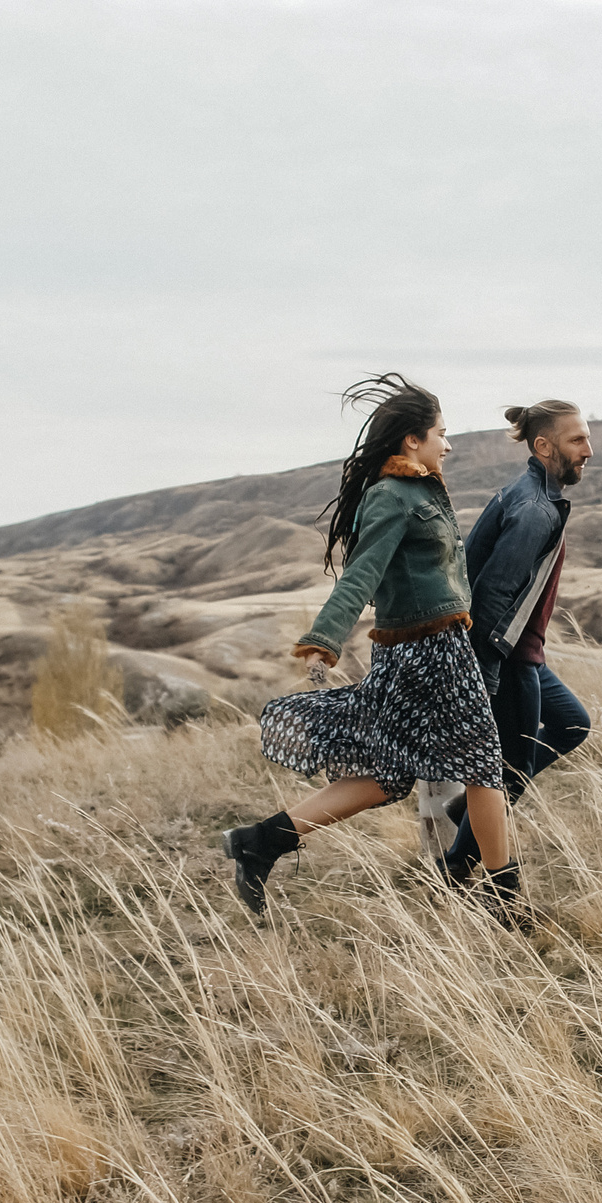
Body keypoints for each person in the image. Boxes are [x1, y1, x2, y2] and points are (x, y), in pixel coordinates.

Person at [221, 375, 523, 922]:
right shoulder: (392, 497)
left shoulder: (421, 488)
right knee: (483, 767)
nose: (447, 444)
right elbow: (360, 576)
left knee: (387, 777)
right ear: (412, 440)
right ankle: (508, 903)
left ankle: (261, 841)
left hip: (436, 649)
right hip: (429, 658)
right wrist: (323, 639)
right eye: (441, 433)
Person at [439, 400, 595, 883]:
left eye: (587, 437)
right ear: (543, 446)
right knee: (512, 770)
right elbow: (492, 595)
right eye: (577, 440)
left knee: (570, 724)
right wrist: (486, 674)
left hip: (521, 651)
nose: (589, 449)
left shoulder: (535, 495)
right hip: (504, 654)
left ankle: (464, 810)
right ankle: (459, 867)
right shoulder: (532, 508)